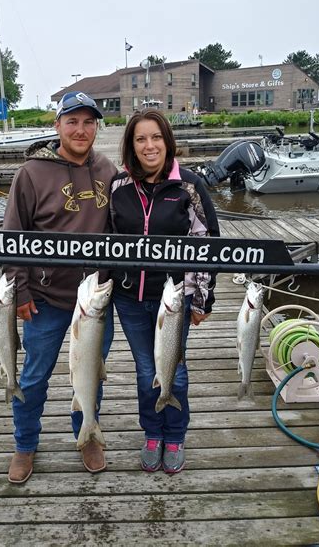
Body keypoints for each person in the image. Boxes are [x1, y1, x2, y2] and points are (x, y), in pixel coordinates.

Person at [3, 91, 117, 484]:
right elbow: (12, 236)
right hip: (46, 301)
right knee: (34, 377)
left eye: (89, 122)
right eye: (72, 121)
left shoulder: (107, 170)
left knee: (92, 372)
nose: (81, 130)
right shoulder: (31, 174)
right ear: (58, 126)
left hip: (96, 301)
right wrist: (19, 291)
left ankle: (86, 433)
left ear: (96, 127)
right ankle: (25, 444)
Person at [109, 108, 219, 474]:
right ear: (131, 145)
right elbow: (107, 241)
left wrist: (203, 298)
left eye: (156, 137)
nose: (149, 145)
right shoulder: (118, 186)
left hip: (174, 301)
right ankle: (152, 432)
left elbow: (207, 244)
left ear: (167, 141)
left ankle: (175, 434)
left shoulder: (189, 185)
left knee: (176, 371)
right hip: (130, 298)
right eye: (141, 138)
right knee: (145, 372)